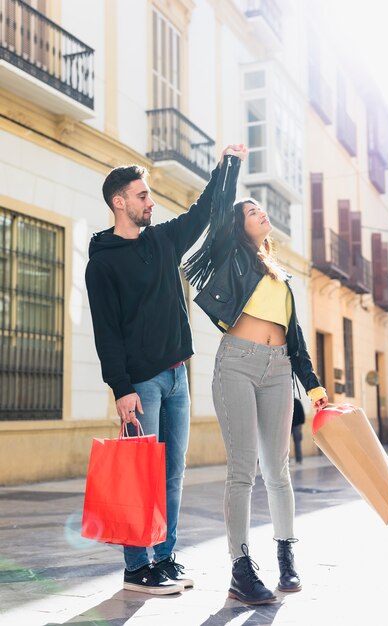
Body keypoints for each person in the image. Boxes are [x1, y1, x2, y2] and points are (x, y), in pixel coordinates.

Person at [85, 144, 246, 596]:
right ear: (120, 202)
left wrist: (223, 169)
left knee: (173, 471)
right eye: (142, 195)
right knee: (140, 474)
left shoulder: (162, 239)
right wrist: (121, 388)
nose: (150, 201)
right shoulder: (103, 263)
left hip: (177, 377)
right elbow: (106, 332)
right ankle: (137, 568)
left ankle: (164, 555)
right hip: (141, 384)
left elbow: (201, 214)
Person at [184, 152, 328, 605]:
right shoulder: (229, 254)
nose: (258, 211)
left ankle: (286, 557)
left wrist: (315, 385)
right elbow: (222, 207)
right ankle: (241, 567)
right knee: (243, 471)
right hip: (238, 365)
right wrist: (229, 167)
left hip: (278, 369)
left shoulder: (279, 274)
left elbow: (295, 335)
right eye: (249, 211)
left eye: (257, 208)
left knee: (278, 470)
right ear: (236, 224)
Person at [292, 398, 306, 464]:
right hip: (291, 425)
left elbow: (301, 413)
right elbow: (302, 413)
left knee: (297, 443)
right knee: (297, 443)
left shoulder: (297, 402)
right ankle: (298, 459)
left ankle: (299, 459)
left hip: (296, 425)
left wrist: (301, 423)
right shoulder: (297, 401)